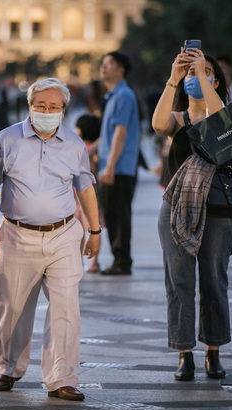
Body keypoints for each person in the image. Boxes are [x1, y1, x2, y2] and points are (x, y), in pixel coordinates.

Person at [0, 78, 101, 401]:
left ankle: (61, 378)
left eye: (53, 107)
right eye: (41, 106)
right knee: (11, 306)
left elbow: (85, 187)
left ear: (64, 110)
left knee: (66, 308)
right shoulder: (7, 140)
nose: (46, 112)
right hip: (16, 235)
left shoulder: (74, 145)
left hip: (64, 234)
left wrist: (94, 230)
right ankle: (7, 369)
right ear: (29, 107)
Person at [151, 47, 232, 381]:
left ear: (215, 79)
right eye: (193, 72)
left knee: (214, 281)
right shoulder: (178, 120)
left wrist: (201, 72)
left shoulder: (227, 114)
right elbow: (159, 125)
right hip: (175, 211)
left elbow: (222, 124)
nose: (197, 77)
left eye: (206, 72)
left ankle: (213, 352)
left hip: (218, 208)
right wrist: (175, 78)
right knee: (179, 283)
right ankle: (184, 352)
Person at [97, 51, 141, 275]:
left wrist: (111, 165)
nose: (104, 67)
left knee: (119, 215)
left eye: (110, 64)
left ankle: (122, 261)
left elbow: (120, 133)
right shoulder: (113, 96)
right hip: (111, 166)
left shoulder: (124, 96)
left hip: (119, 168)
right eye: (103, 64)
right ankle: (118, 259)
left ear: (121, 70)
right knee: (112, 213)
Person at [75, 113, 103, 273]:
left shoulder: (94, 149)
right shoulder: (77, 146)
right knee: (78, 231)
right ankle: (78, 260)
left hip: (90, 197)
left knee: (93, 229)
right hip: (75, 199)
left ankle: (94, 262)